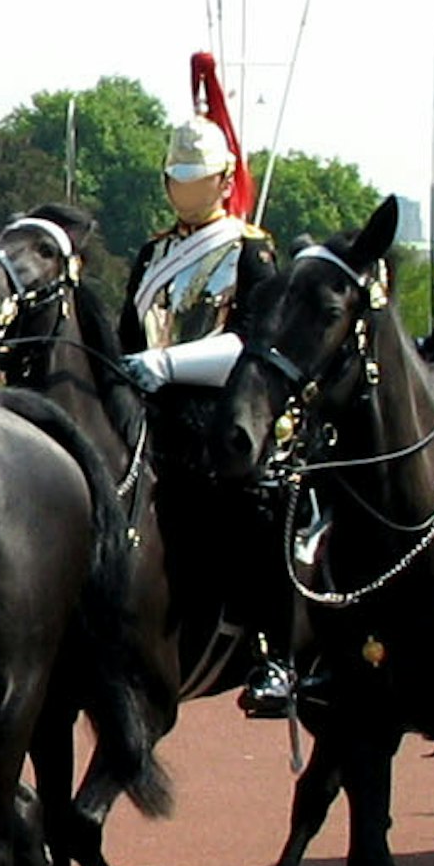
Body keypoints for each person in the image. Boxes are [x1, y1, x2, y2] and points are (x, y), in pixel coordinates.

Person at [111, 55, 291, 711]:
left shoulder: (250, 248)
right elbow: (134, 332)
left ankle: (272, 648)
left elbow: (253, 342)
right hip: (150, 404)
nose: (185, 190)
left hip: (222, 409)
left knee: (253, 503)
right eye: (176, 178)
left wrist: (170, 366)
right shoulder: (154, 253)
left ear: (223, 179)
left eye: (198, 178)